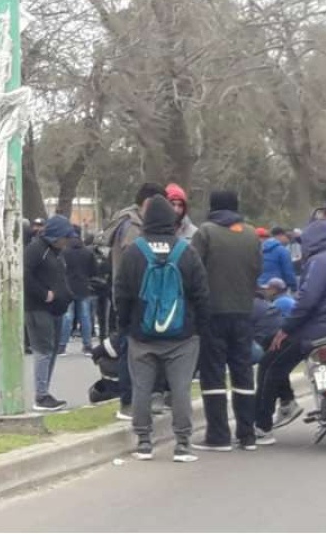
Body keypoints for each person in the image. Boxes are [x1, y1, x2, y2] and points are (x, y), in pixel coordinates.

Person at [114, 195, 210, 462]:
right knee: (180, 390)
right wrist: (200, 328)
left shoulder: (135, 252)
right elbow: (201, 294)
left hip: (142, 335)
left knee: (142, 389)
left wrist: (125, 326)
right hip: (182, 336)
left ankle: (144, 441)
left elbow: (121, 294)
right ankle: (182, 444)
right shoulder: (186, 252)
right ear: (172, 220)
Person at [254, 220, 326, 445]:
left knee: (270, 365)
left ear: (312, 241)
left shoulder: (319, 262)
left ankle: (262, 425)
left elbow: (306, 301)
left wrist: (285, 329)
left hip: (315, 331)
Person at [190, 190, 262, 452]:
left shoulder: (205, 232)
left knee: (214, 375)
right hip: (243, 312)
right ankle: (247, 434)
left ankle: (218, 435)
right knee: (243, 372)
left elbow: (194, 271)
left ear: (213, 207)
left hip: (213, 313)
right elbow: (257, 270)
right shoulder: (252, 234)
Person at [100, 182, 166, 420]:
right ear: (147, 203)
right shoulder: (132, 227)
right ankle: (128, 402)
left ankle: (141, 398)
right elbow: (136, 263)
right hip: (133, 296)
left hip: (136, 296)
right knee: (130, 349)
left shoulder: (134, 224)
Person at [24, 214, 74, 411]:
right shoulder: (36, 250)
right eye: (65, 237)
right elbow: (24, 275)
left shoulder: (55, 252)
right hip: (38, 308)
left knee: (50, 350)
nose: (67, 241)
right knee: (43, 350)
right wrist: (44, 294)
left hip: (55, 308)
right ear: (56, 235)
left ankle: (45, 391)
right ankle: (41, 395)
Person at [60, 227, 96, 356]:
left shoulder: (64, 252)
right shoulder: (87, 252)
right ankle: (87, 346)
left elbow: (60, 270)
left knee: (67, 316)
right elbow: (93, 271)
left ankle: (62, 346)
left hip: (68, 287)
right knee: (85, 316)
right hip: (84, 287)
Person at [258, 227, 297, 291]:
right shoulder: (282, 251)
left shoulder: (258, 249)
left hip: (260, 286)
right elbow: (288, 272)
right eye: (287, 237)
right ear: (281, 235)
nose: (288, 241)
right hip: (277, 288)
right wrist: (293, 286)